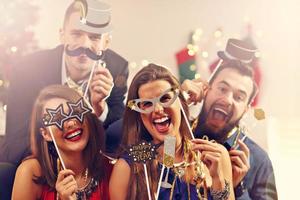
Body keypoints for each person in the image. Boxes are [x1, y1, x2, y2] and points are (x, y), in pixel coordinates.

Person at [0, 0, 128, 165]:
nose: (84, 44)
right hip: (43, 164)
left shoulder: (117, 67)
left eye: (94, 37)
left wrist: (100, 111)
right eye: (76, 34)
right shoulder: (27, 70)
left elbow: (120, 139)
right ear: (62, 35)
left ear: (106, 43)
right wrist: (65, 150)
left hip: (93, 169)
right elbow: (13, 146)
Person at [109, 64, 235, 199]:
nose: (157, 109)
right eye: (147, 104)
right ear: (139, 114)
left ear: (180, 102)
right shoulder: (126, 168)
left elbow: (170, 146)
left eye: (165, 98)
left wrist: (218, 180)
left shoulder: (217, 156)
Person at [182, 59, 278, 199]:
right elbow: (159, 176)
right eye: (222, 89)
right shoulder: (174, 135)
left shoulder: (259, 160)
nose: (227, 100)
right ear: (206, 90)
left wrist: (236, 188)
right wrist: (175, 103)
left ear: (245, 110)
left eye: (239, 97)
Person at [12, 85, 111, 200]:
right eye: (58, 119)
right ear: (46, 134)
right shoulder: (31, 172)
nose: (70, 123)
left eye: (75, 112)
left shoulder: (111, 170)